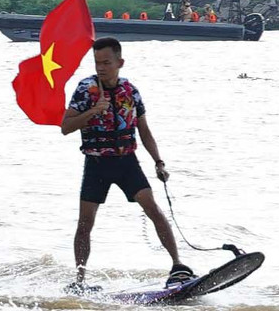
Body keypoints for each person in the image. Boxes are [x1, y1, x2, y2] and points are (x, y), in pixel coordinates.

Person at [59, 37, 191, 292]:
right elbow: (66, 127)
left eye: (106, 62)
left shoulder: (130, 91)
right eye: (97, 63)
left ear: (120, 62)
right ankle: (79, 281)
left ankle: (177, 265)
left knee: (152, 207)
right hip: (97, 163)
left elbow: (143, 129)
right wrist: (94, 111)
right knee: (85, 223)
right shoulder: (86, 90)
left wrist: (159, 162)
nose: (101, 68)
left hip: (127, 162)